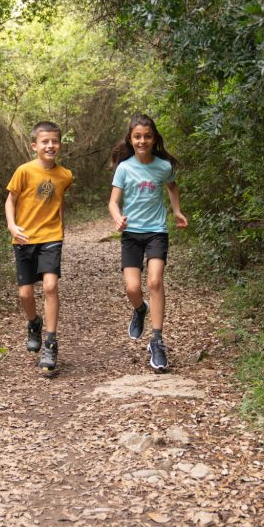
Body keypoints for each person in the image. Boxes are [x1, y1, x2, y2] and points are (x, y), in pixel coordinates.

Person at [107, 113, 187, 373]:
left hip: (156, 232)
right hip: (131, 235)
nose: (143, 140)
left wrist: (176, 211)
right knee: (132, 289)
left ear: (154, 139)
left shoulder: (163, 166)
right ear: (131, 139)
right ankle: (140, 309)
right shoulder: (124, 167)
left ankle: (157, 341)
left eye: (147, 136)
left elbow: (172, 187)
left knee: (154, 282)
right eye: (137, 136)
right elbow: (112, 202)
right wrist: (118, 219)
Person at [5, 121, 73, 373]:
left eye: (54, 141)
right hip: (24, 238)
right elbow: (10, 201)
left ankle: (51, 342)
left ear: (60, 144)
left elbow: (58, 203)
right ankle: (34, 323)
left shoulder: (65, 175)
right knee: (25, 294)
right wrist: (12, 225)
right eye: (45, 141)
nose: (50, 145)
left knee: (50, 286)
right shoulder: (23, 171)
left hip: (51, 237)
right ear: (34, 145)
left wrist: (62, 231)